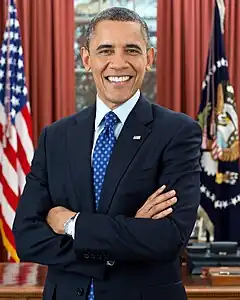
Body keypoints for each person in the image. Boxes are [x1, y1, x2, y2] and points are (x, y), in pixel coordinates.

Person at [13, 7, 202, 300]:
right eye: (105, 50)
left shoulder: (178, 132)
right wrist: (126, 237)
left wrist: (72, 224)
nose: (118, 63)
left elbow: (168, 238)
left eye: (131, 50)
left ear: (149, 58)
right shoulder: (56, 136)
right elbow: (27, 237)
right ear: (87, 59)